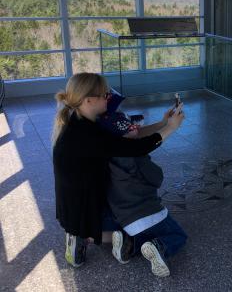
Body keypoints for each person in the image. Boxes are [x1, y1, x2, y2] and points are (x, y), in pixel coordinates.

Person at [52, 73, 184, 268]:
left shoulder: (83, 121)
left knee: (123, 224)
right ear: (88, 100)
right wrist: (171, 129)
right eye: (105, 95)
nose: (110, 98)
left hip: (73, 208)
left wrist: (163, 123)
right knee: (127, 229)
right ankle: (84, 236)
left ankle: (80, 235)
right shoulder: (88, 135)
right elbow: (135, 148)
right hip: (87, 209)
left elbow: (127, 138)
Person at [96, 95, 187, 277]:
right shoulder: (137, 156)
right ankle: (159, 247)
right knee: (178, 236)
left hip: (122, 218)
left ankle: (129, 246)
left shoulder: (106, 154)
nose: (136, 128)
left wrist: (163, 122)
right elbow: (156, 178)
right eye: (131, 128)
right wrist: (169, 126)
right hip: (148, 214)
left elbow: (137, 136)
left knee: (141, 235)